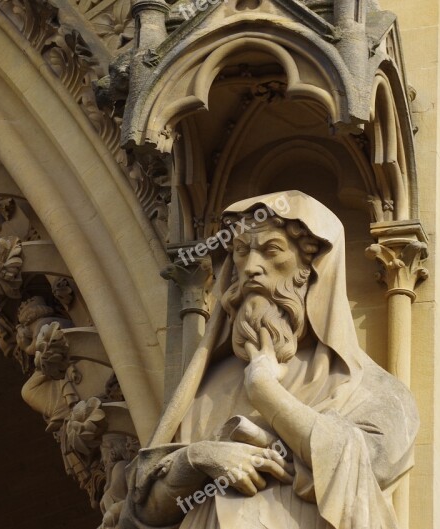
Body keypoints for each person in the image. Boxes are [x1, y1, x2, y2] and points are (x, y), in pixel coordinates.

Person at [121, 191, 419, 529]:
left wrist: (264, 390)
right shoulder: (205, 387)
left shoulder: (374, 390)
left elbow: (372, 468)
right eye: (241, 252)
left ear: (312, 268)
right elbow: (142, 513)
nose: (250, 268)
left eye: (271, 250)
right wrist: (199, 457)